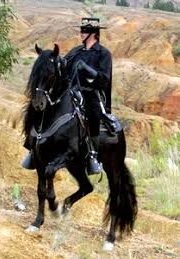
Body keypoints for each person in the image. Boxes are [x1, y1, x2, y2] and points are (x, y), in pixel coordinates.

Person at [64, 17, 112, 175]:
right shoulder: (75, 51)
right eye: (81, 30)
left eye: (84, 31)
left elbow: (104, 79)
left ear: (94, 34)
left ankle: (93, 156)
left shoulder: (104, 54)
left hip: (92, 93)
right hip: (73, 91)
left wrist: (87, 69)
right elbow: (64, 66)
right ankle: (34, 146)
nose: (81, 33)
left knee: (93, 114)